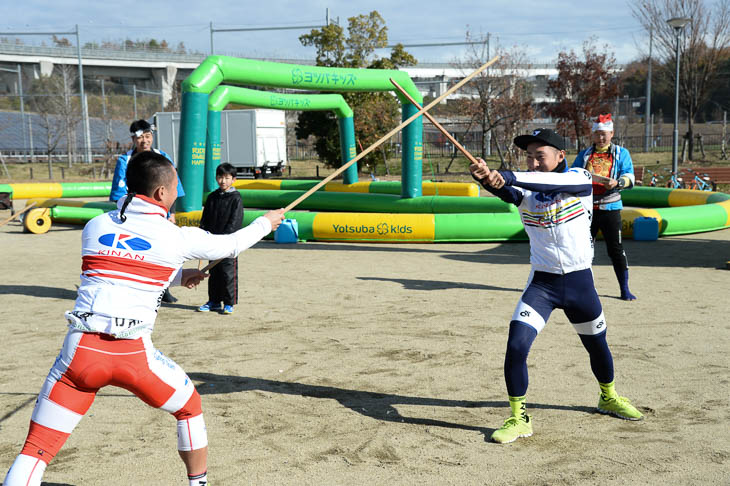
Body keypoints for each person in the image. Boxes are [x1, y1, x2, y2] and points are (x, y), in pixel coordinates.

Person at [2, 151, 285, 486]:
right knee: (190, 408)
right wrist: (268, 221)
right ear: (161, 194)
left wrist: (178, 277)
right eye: (174, 187)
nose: (176, 193)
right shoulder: (176, 237)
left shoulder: (96, 226)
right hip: (132, 355)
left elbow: (119, 266)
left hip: (79, 353)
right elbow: (232, 244)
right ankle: (199, 483)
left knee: (35, 451)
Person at [469, 128, 642, 445]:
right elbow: (509, 191)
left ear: (561, 156)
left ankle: (608, 396)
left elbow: (546, 182)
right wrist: (486, 179)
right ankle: (519, 417)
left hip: (580, 285)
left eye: (540, 156)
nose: (533, 163)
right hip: (543, 286)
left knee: (597, 346)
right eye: (529, 157)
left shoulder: (578, 178)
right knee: (516, 344)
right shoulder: (526, 192)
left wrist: (506, 175)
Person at [110, 119, 186, 303]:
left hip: (161, 214)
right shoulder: (125, 160)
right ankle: (134, 288)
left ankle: (164, 288)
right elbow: (119, 193)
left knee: (164, 251)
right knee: (133, 251)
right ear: (133, 139)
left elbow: (173, 187)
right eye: (140, 137)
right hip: (134, 215)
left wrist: (172, 214)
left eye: (148, 136)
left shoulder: (163, 156)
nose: (144, 141)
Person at [572, 114, 637, 300]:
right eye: (597, 134)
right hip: (587, 208)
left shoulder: (621, 153)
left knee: (615, 249)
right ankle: (584, 289)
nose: (601, 138)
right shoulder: (585, 154)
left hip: (611, 207)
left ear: (612, 133)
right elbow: (574, 173)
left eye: (604, 134)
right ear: (593, 135)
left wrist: (618, 182)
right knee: (583, 250)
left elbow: (629, 175)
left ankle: (624, 288)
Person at [197, 163, 243, 314]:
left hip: (229, 243)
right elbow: (205, 219)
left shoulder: (236, 198)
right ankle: (214, 301)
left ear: (233, 180)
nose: (223, 181)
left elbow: (235, 221)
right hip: (213, 242)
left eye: (227, 178)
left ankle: (229, 303)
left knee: (227, 273)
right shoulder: (212, 197)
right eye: (220, 177)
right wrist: (202, 234)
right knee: (213, 273)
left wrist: (228, 239)